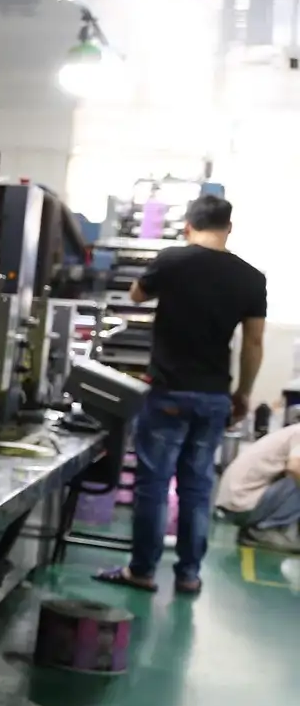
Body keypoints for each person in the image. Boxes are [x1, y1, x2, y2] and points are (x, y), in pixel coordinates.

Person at [96, 193, 266, 595]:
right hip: (213, 396)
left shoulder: (173, 260)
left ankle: (142, 570)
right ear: (229, 229)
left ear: (188, 226)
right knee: (197, 486)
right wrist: (242, 394)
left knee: (154, 484)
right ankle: (189, 574)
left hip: (169, 392)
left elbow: (136, 295)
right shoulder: (251, 277)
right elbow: (255, 343)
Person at [218, 424, 300, 552]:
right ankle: (263, 531)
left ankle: (257, 530)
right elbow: (294, 468)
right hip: (242, 502)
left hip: (238, 501)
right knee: (296, 480)